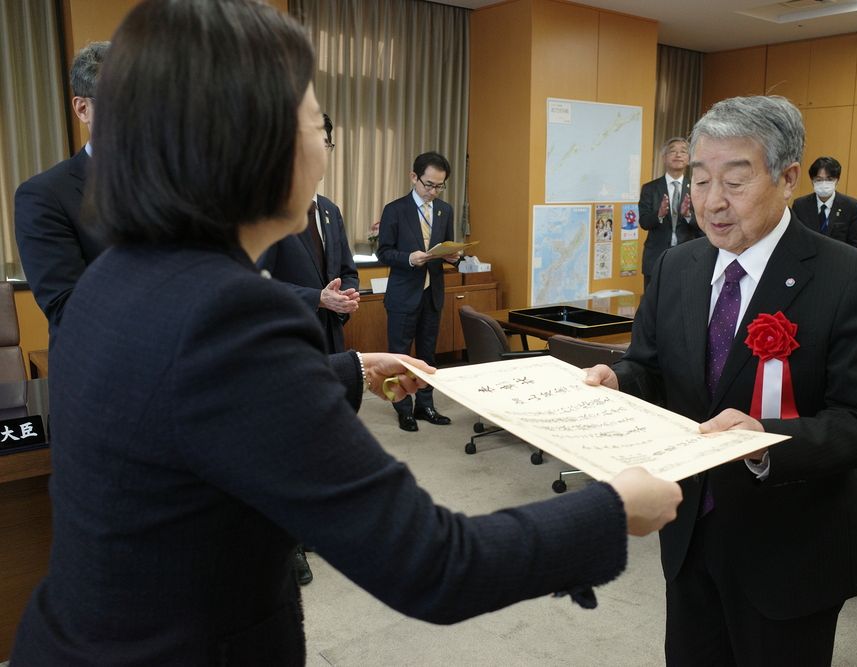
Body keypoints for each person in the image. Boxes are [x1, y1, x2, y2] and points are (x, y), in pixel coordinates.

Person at [11, 1, 682, 664]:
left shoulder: (125, 270)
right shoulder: (229, 313)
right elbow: (431, 562)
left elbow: (186, 400)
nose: (325, 148)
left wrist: (348, 368)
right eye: (315, 124)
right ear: (255, 144)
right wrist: (611, 509)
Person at [586, 96, 857, 665]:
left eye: (735, 180)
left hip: (790, 546)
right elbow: (651, 367)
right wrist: (618, 380)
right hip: (689, 529)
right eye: (700, 181)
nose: (712, 202)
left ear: (787, 178)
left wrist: (762, 440)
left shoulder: (850, 277)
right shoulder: (678, 267)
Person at [15, 41, 110, 349]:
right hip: (104, 379)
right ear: (83, 108)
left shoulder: (181, 184)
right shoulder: (44, 196)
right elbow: (69, 310)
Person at [258, 114, 361, 357]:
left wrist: (344, 299)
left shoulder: (330, 210)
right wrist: (318, 298)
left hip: (331, 338)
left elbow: (347, 271)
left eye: (325, 145)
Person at [377, 151, 461, 432]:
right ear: (414, 177)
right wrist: (409, 259)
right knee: (399, 356)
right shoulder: (395, 210)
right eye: (428, 184)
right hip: (403, 293)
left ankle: (425, 405)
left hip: (432, 293)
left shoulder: (444, 210)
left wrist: (454, 257)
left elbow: (449, 248)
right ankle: (402, 408)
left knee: (427, 355)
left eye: (440, 186)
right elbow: (384, 252)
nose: (433, 191)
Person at [638, 137, 702, 290]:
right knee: (652, 306)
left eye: (683, 152)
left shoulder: (697, 188)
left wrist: (688, 215)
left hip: (687, 257)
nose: (678, 155)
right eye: (673, 151)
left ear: (689, 159)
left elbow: (704, 226)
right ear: (664, 158)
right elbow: (644, 222)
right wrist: (659, 214)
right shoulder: (650, 188)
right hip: (655, 257)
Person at [791, 156, 857, 250]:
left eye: (829, 179)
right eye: (819, 179)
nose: (824, 184)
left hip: (839, 261)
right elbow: (794, 238)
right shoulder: (800, 205)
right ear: (812, 181)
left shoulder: (851, 207)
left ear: (837, 180)